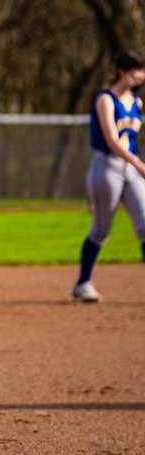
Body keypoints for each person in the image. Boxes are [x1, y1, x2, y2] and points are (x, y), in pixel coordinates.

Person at [72, 52, 145, 303]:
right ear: (122, 72)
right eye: (137, 69)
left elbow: (131, 140)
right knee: (102, 229)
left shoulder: (137, 102)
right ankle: (83, 283)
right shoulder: (106, 100)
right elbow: (112, 140)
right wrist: (137, 162)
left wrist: (135, 163)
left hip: (131, 168)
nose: (141, 75)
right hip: (107, 167)